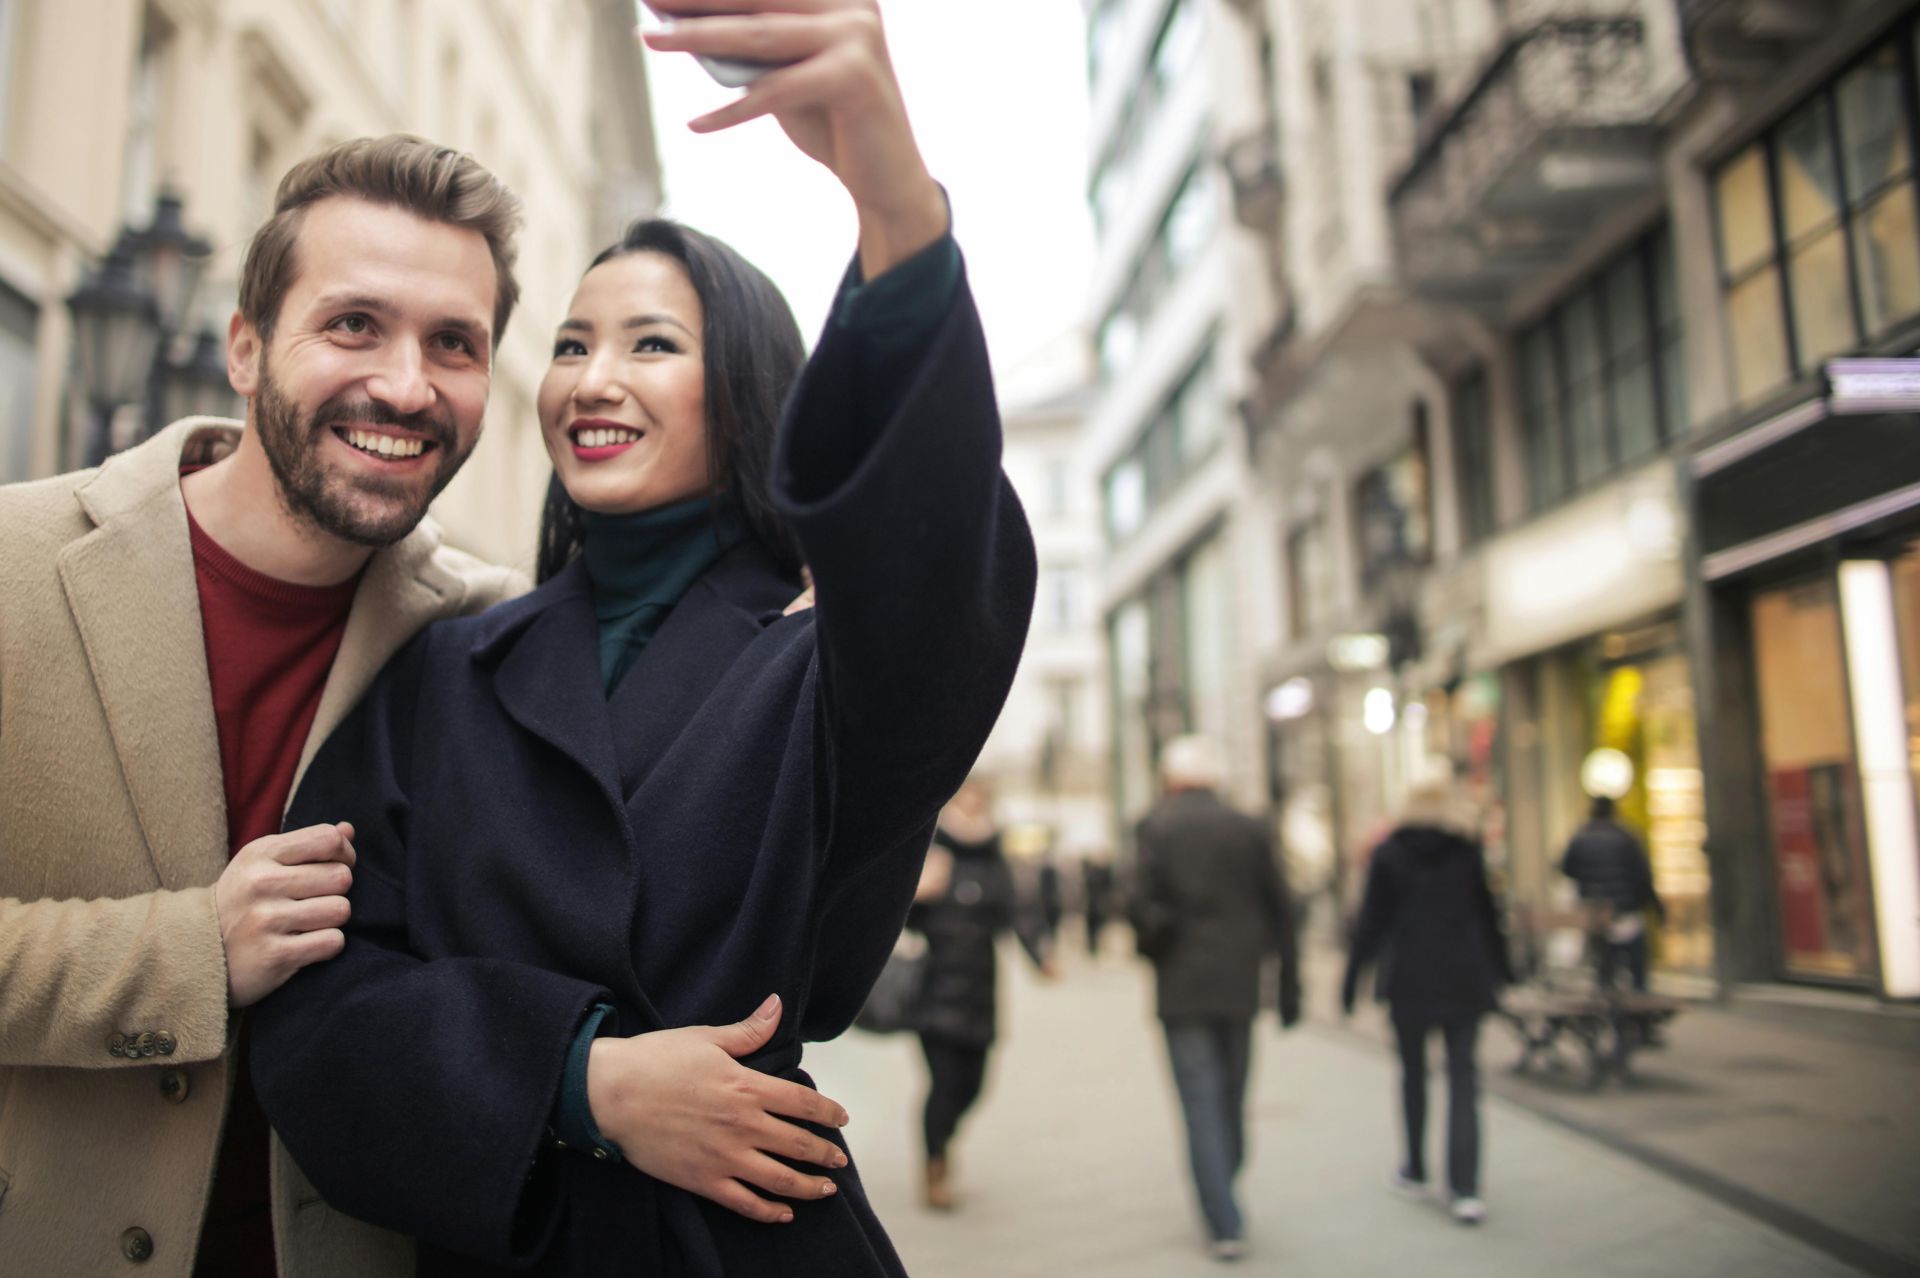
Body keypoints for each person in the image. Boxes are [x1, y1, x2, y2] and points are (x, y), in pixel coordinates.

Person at [248, 3, 1038, 1272]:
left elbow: (934, 562)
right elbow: (315, 1001)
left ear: (744, 398)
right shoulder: (446, 668)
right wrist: (577, 1081)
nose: (590, 379)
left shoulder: (826, 666)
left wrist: (891, 201)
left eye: (651, 344)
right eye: (569, 345)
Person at [0, 134, 536, 1276]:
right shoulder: (14, 563)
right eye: (354, 324)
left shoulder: (489, 634)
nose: (405, 384)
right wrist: (189, 951)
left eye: (455, 343)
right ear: (245, 349)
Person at [1131, 735, 1300, 1263]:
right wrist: (1290, 982)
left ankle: (1222, 1217)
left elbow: (1138, 904)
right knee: (1232, 1095)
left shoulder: (1155, 826)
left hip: (1182, 983)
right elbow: (1282, 906)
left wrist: (1157, 941)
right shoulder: (1247, 826)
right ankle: (1225, 1190)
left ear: (1171, 778)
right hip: (1239, 980)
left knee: (1200, 1101)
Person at [1341, 780, 1513, 1227]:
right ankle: (1465, 1188)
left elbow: (1370, 923)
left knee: (1413, 1076)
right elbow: (1489, 917)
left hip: (1409, 980)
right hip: (1463, 979)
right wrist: (1505, 972)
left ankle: (1415, 1169)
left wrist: (1350, 981)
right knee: (1463, 1080)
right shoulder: (1466, 851)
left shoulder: (1390, 854)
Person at [907, 780, 1054, 1211]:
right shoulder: (930, 849)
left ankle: (944, 1140)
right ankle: (935, 1164)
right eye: (964, 799)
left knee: (974, 1085)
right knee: (944, 1082)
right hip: (934, 985)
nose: (972, 808)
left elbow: (1019, 912)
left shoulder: (995, 857)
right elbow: (894, 918)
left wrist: (1040, 955)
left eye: (979, 801)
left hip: (981, 986)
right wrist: (919, 893)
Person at [1560, 795, 1665, 992]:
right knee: (1637, 965)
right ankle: (1638, 997)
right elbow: (1643, 876)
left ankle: (1607, 993)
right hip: (1627, 910)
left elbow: (1566, 869)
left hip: (1595, 914)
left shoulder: (1580, 837)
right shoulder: (1626, 837)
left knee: (1604, 966)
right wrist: (1656, 908)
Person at [1082, 852, 1118, 956]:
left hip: (1097, 906)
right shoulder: (1092, 875)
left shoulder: (1100, 874)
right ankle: (1092, 946)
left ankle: (1095, 945)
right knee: (1094, 927)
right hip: (1093, 907)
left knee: (1099, 927)